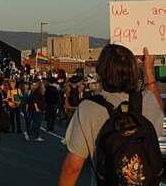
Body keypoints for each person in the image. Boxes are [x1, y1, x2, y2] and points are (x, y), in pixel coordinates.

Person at [58, 45, 164, 186]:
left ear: (101, 72)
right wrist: (148, 71)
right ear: (133, 71)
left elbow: (72, 167)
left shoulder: (88, 108)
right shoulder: (147, 101)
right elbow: (158, 109)